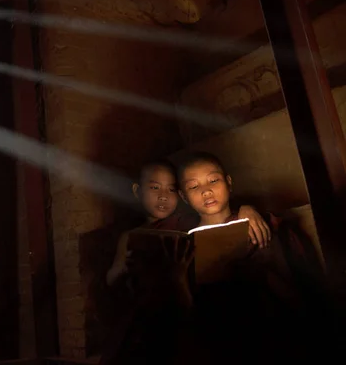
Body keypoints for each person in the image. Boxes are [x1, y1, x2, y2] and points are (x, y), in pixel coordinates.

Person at [176, 151, 332, 363]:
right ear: (184, 196)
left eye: (213, 180)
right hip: (219, 331)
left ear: (229, 182)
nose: (206, 191)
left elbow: (284, 271)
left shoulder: (255, 220)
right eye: (194, 186)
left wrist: (249, 212)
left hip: (267, 321)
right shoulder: (184, 239)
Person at [106, 159, 270, 288]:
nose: (163, 196)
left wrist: (247, 208)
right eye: (155, 187)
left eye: (171, 190)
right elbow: (115, 278)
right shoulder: (139, 235)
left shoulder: (184, 222)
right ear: (184, 196)